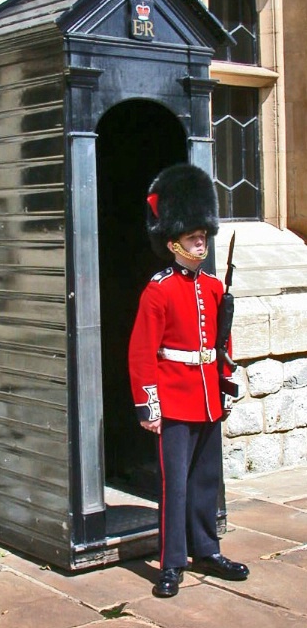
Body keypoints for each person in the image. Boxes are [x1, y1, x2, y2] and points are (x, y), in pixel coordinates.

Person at [128, 163, 249, 599]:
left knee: (204, 480)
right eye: (194, 236)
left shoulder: (215, 288)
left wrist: (226, 382)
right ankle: (172, 562)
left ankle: (206, 550)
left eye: (204, 235)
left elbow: (221, 344)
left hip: (206, 397)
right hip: (175, 399)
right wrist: (149, 404)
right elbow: (142, 351)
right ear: (174, 240)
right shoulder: (157, 290)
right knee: (174, 484)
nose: (202, 241)